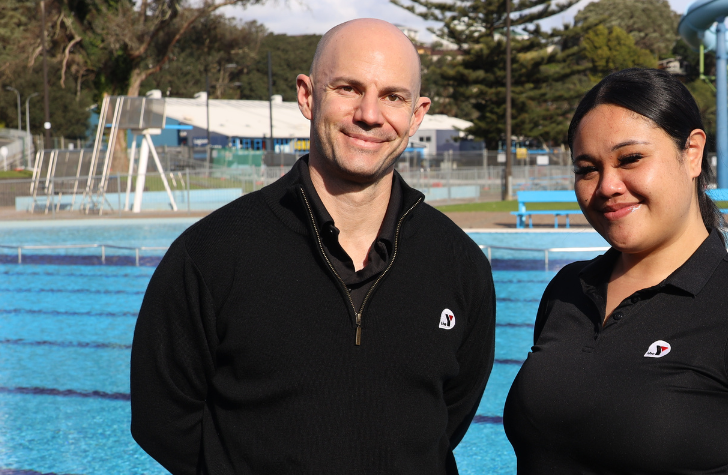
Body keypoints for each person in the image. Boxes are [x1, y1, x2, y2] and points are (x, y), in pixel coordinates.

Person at [130, 19, 496, 474]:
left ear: (417, 114)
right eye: (348, 88)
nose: (369, 114)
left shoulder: (459, 263)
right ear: (307, 95)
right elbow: (160, 421)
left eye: (393, 97)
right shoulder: (212, 253)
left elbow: (448, 418)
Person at [502, 68, 728, 474]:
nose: (607, 186)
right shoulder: (568, 291)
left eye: (630, 159)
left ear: (692, 152)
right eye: (587, 169)